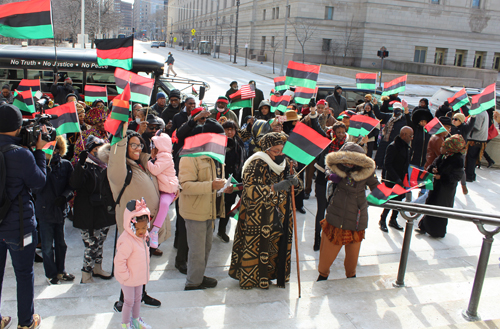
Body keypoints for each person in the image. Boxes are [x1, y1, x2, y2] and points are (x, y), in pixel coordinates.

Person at [229, 132, 301, 289]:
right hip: (258, 217)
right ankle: (252, 278)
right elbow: (250, 191)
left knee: (275, 248)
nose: (280, 154)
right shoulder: (256, 164)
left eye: (282, 150)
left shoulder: (285, 163)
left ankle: (271, 275)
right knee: (256, 248)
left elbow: (298, 188)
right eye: (276, 151)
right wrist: (274, 188)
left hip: (281, 216)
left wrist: (296, 182)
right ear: (267, 150)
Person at [107, 124, 165, 311]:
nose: (138, 149)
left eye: (140, 145)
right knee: (130, 263)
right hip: (130, 228)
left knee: (143, 261)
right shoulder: (119, 169)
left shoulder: (142, 164)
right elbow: (116, 156)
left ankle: (141, 294)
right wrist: (121, 136)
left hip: (145, 226)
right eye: (133, 145)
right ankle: (124, 299)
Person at [0, 103, 46, 329]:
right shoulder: (22, 154)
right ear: (18, 127)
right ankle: (26, 323)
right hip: (19, 228)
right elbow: (39, 183)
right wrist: (40, 152)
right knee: (24, 274)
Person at [317, 142, 380, 281]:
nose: (350, 164)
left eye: (353, 161)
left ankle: (351, 276)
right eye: (347, 161)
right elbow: (326, 169)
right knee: (326, 255)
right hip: (335, 218)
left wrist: (386, 194)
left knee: (352, 258)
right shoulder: (336, 168)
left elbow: (377, 188)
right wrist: (330, 175)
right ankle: (323, 275)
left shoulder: (366, 171)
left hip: (356, 220)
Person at [178, 122, 230, 290]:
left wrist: (224, 187)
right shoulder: (189, 156)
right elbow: (184, 186)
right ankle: (193, 283)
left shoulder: (214, 155)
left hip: (209, 209)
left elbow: (216, 181)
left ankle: (198, 276)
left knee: (206, 248)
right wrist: (211, 186)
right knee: (197, 250)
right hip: (195, 211)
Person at [70, 135, 114, 283]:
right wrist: (81, 165)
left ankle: (97, 267)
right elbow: (75, 184)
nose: (98, 152)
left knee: (100, 241)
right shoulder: (84, 166)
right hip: (86, 212)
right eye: (95, 149)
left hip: (102, 212)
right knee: (91, 244)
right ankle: (86, 273)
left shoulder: (105, 166)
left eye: (100, 149)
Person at [33, 136, 75, 285]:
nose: (53, 151)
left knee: (61, 244)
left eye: (56, 148)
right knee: (46, 246)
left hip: (60, 210)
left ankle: (61, 271)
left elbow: (71, 186)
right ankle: (51, 274)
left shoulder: (66, 165)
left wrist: (64, 197)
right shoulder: (39, 165)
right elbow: (35, 188)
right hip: (44, 211)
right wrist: (44, 169)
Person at [114, 199, 153, 329]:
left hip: (138, 276)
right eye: (138, 228)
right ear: (131, 225)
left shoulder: (142, 237)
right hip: (128, 277)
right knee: (129, 301)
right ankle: (125, 324)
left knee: (137, 299)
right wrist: (125, 276)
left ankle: (136, 320)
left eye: (144, 227)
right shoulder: (127, 240)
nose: (142, 231)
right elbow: (119, 261)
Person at [417, 135, 466, 238]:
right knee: (430, 206)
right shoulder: (443, 156)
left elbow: (456, 176)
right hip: (436, 187)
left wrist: (442, 177)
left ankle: (436, 232)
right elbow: (433, 165)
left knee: (439, 211)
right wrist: (433, 169)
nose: (441, 148)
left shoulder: (457, 160)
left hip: (445, 191)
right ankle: (424, 227)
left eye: (443, 147)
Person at [147, 133, 179, 248]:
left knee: (164, 204)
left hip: (168, 189)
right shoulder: (159, 156)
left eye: (154, 145)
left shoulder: (165, 156)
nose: (152, 148)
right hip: (163, 188)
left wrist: (146, 161)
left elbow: (155, 170)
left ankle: (155, 230)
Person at [379, 126, 413, 232]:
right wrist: (396, 178)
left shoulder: (406, 146)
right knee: (390, 200)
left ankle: (393, 220)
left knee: (398, 201)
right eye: (410, 135)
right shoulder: (393, 146)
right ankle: (383, 219)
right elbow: (387, 164)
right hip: (392, 179)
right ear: (403, 135)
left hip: (402, 179)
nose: (412, 138)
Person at [217, 120, 247, 242]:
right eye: (227, 129)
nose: (229, 132)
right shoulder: (218, 143)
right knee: (218, 206)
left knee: (228, 205)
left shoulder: (239, 142)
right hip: (220, 179)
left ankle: (221, 230)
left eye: (232, 129)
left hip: (235, 179)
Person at [373, 101, 407, 169]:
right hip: (386, 139)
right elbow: (379, 115)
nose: (397, 111)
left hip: (395, 141)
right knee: (382, 154)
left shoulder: (403, 119)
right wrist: (375, 105)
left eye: (398, 109)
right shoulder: (388, 116)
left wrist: (407, 110)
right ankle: (380, 165)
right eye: (395, 109)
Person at [451, 113, 476, 194]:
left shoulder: (464, 128)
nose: (453, 121)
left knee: (460, 169)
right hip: (451, 151)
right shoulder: (450, 128)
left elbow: (471, 124)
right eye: (453, 119)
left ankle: (463, 185)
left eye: (456, 119)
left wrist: (473, 116)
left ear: (461, 121)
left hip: (460, 152)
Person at [465, 109, 488, 182]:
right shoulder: (484, 112)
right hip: (479, 139)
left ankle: (469, 176)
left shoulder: (479, 113)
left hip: (475, 139)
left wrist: (467, 123)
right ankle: (471, 175)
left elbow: (476, 127)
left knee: (471, 158)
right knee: (473, 159)